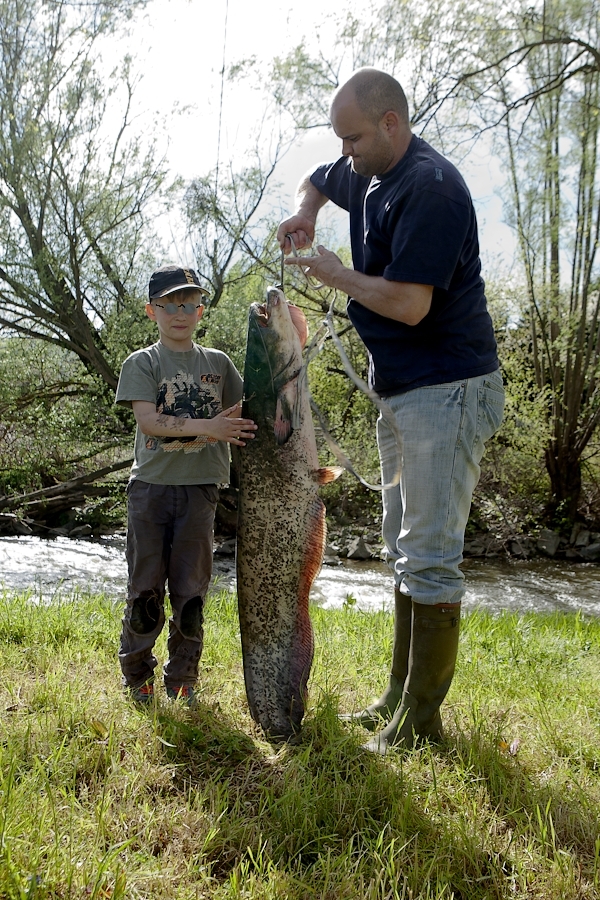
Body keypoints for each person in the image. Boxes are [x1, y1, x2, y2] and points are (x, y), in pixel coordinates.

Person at [277, 68, 504, 753]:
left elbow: (410, 305)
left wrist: (332, 272)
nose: (345, 152)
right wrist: (305, 212)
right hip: (403, 390)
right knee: (403, 547)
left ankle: (420, 726)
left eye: (353, 138)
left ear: (391, 124)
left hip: (449, 389)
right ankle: (396, 701)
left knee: (429, 557)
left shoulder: (431, 189)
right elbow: (318, 178)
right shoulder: (367, 164)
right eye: (340, 139)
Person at [115, 264, 256, 706]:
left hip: (201, 491)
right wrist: (210, 428)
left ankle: (183, 681)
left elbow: (249, 411)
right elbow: (150, 422)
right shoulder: (142, 363)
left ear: (200, 310)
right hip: (150, 491)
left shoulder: (219, 364)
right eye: (170, 305)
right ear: (151, 310)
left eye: (190, 304)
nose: (180, 312)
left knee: (192, 595)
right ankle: (138, 678)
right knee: (145, 591)